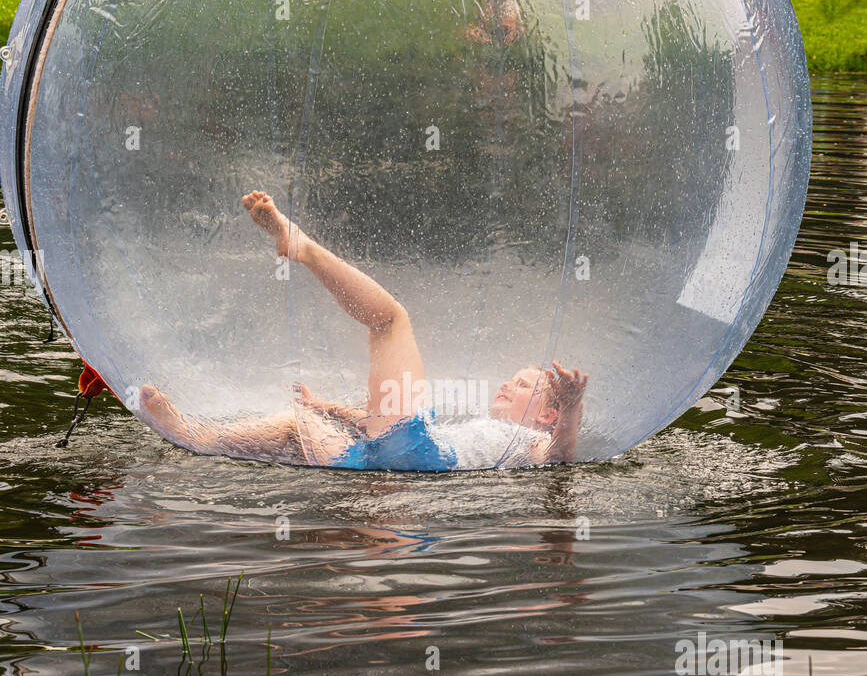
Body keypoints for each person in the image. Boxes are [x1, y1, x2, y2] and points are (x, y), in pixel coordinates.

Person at [139, 192, 587, 470]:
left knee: (391, 321)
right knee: (297, 424)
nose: (508, 384)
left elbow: (561, 460)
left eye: (525, 385)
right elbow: (384, 427)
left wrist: (572, 407)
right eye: (514, 378)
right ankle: (195, 437)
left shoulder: (534, 442)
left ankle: (303, 247)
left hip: (421, 456)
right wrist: (326, 406)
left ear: (546, 415)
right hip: (388, 460)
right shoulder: (479, 428)